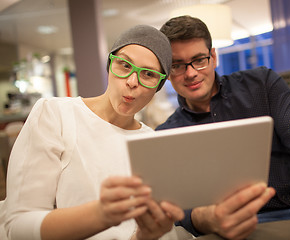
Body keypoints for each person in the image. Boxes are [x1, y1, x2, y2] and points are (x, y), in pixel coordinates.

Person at [156, 15, 290, 240]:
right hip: (241, 229)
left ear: (213, 57)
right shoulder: (167, 134)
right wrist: (206, 218)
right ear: (166, 71)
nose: (191, 72)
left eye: (199, 59)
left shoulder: (262, 83)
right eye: (177, 65)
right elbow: (175, 206)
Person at [0, 25, 185, 240]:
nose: (133, 82)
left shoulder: (152, 143)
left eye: (148, 74)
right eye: (124, 65)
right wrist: (101, 214)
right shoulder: (56, 114)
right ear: (109, 64)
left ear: (160, 84)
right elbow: (18, 227)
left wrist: (144, 235)